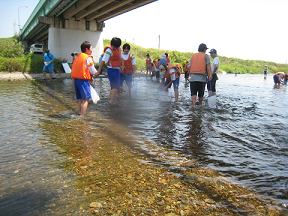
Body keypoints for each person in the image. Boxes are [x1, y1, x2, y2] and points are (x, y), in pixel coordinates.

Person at [71, 41, 97, 117]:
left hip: (76, 80)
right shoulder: (88, 58)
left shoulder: (78, 57)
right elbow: (92, 70)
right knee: (86, 99)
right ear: (87, 49)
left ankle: (80, 113)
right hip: (83, 80)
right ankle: (82, 116)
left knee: (81, 99)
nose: (92, 50)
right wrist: (97, 73)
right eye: (91, 49)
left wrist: (90, 76)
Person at [96, 37, 124, 105]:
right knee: (115, 87)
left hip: (117, 70)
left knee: (115, 87)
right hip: (112, 70)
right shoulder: (108, 51)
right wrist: (99, 71)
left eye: (117, 47)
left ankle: (113, 100)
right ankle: (111, 102)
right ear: (112, 44)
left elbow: (121, 58)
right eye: (114, 47)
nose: (115, 48)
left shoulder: (119, 49)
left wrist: (122, 65)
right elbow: (103, 62)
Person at [189, 43, 212, 107]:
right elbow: (208, 66)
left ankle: (193, 105)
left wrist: (189, 75)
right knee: (201, 93)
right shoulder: (206, 56)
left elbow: (190, 66)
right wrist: (210, 75)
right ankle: (200, 105)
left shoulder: (193, 56)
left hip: (193, 78)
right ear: (204, 49)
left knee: (193, 92)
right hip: (201, 78)